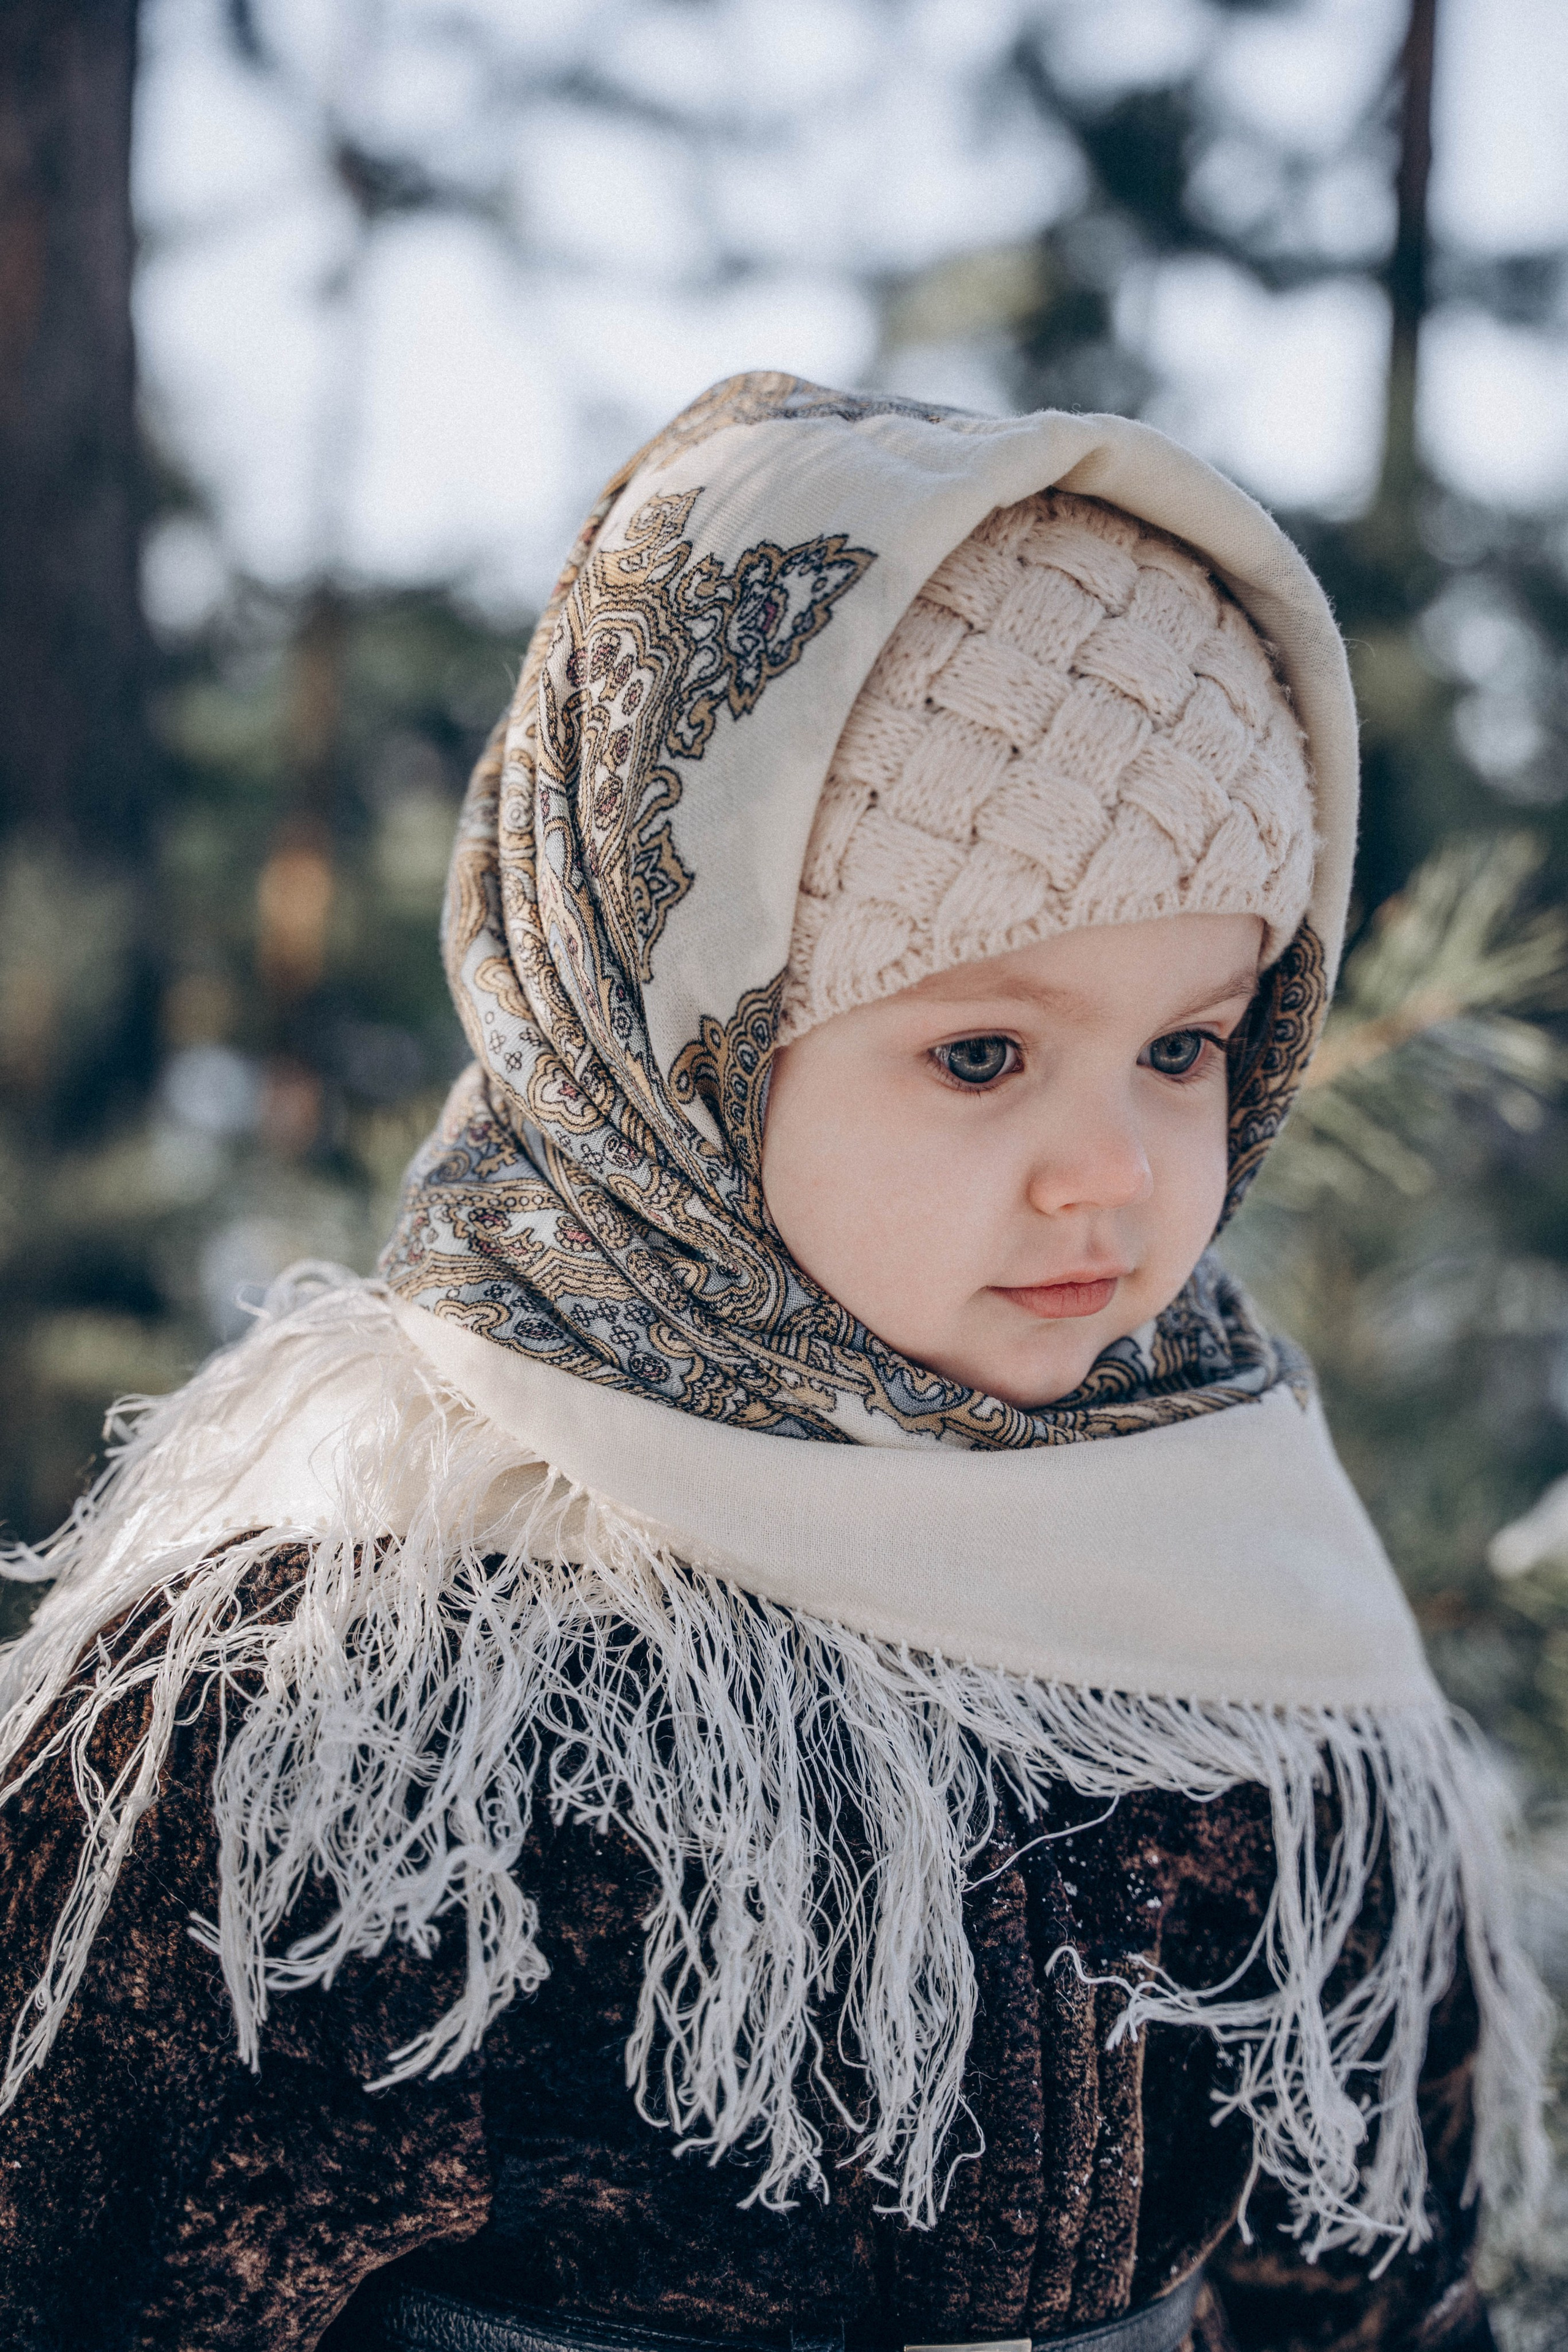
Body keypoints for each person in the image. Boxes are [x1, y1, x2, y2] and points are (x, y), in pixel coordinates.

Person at [0, 374, 1548, 2352]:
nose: (1118, 1172)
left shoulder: (1251, 1617)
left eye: (1187, 1046)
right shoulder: (340, 1689)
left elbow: (1372, 2273)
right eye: (980, 1053)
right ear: (671, 1028)